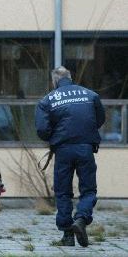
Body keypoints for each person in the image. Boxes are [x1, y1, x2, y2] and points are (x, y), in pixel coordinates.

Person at [35, 66, 105, 247]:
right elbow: (99, 119)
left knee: (63, 192)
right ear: (70, 78)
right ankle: (81, 219)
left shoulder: (47, 100)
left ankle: (67, 236)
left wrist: (54, 137)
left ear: (54, 81)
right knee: (88, 190)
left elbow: (42, 129)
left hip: (63, 150)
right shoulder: (90, 95)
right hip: (86, 148)